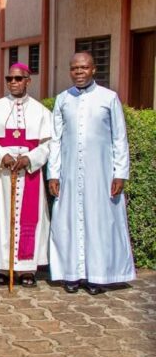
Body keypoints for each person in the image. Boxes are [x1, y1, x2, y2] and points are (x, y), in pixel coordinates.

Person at [47, 52, 135, 295]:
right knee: (68, 222)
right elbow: (55, 139)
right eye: (74, 68)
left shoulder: (109, 98)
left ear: (93, 69)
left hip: (101, 174)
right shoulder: (63, 99)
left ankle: (98, 275)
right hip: (69, 174)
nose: (79, 72)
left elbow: (120, 138)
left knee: (99, 222)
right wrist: (53, 174)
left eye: (84, 68)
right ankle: (71, 274)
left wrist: (120, 173)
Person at [0, 63, 52, 288]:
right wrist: (2, 156)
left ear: (28, 81)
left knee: (31, 219)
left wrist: (30, 159)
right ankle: (2, 267)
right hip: (2, 173)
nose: (13, 82)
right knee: (3, 217)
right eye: (9, 78)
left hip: (29, 173)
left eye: (18, 79)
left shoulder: (41, 112)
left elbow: (48, 143)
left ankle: (27, 269)